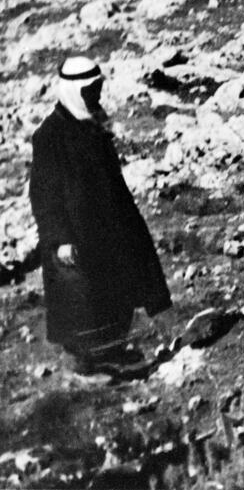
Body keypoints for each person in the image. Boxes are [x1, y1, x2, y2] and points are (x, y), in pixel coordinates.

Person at [28, 56, 172, 375]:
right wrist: (60, 239)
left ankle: (112, 352)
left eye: (97, 88)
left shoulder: (94, 122)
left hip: (107, 222)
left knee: (115, 290)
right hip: (75, 232)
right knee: (83, 299)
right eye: (89, 90)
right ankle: (86, 362)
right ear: (73, 90)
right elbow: (43, 195)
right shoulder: (49, 135)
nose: (95, 95)